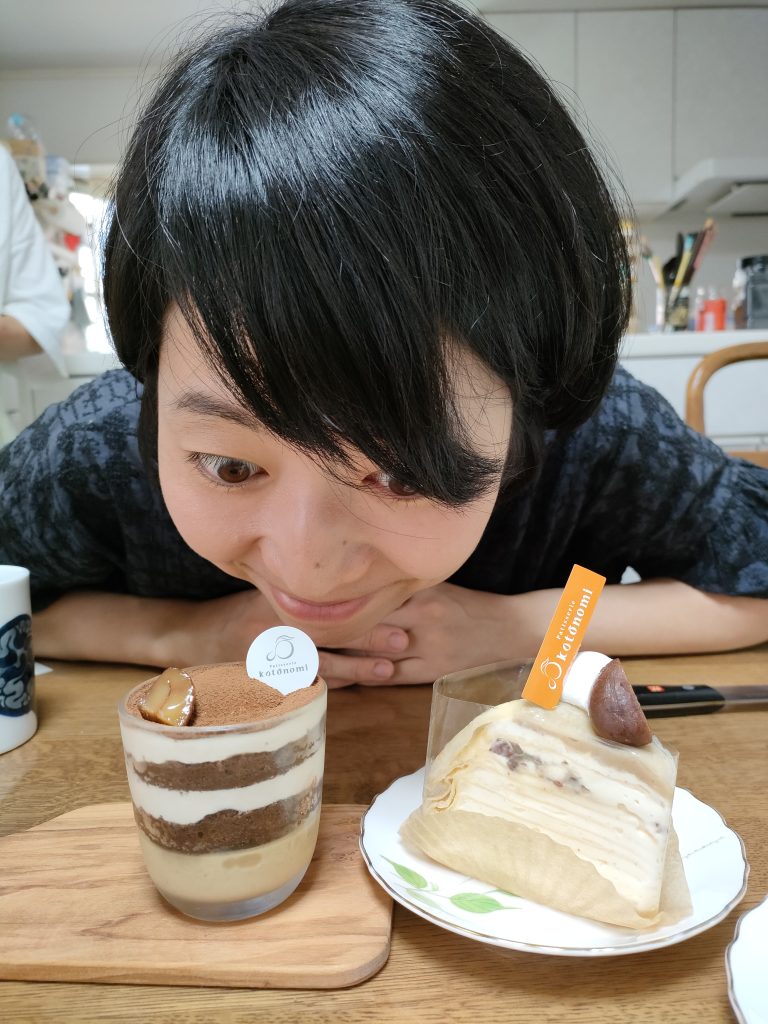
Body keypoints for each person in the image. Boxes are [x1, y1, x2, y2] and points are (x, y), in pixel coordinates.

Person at [0, 0, 766, 686]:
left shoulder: (591, 435)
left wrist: (516, 628)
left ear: (526, 398)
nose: (309, 568)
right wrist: (184, 633)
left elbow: (752, 578)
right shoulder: (97, 445)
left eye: (400, 474)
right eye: (231, 468)